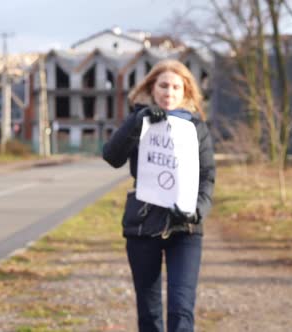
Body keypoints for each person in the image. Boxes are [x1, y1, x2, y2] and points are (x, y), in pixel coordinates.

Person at [102, 59, 215, 332]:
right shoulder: (138, 119)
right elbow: (112, 156)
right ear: (152, 88)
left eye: (177, 87)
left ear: (186, 92)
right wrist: (137, 123)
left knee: (181, 308)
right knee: (149, 312)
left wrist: (197, 210)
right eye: (163, 85)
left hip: (185, 228)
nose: (169, 92)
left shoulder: (196, 127)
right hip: (142, 226)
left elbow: (208, 175)